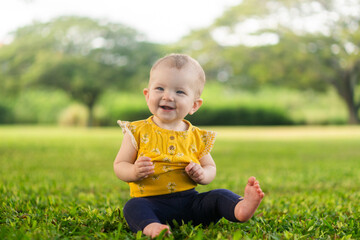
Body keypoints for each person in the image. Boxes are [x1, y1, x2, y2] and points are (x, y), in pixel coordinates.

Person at [113, 53, 264, 238]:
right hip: (150, 203)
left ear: (194, 105)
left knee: (218, 195)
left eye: (179, 92)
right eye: (160, 88)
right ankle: (152, 227)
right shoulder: (136, 131)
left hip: (191, 203)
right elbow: (120, 165)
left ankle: (240, 208)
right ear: (147, 95)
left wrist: (202, 174)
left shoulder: (196, 137)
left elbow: (210, 167)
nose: (168, 96)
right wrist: (134, 172)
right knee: (133, 207)